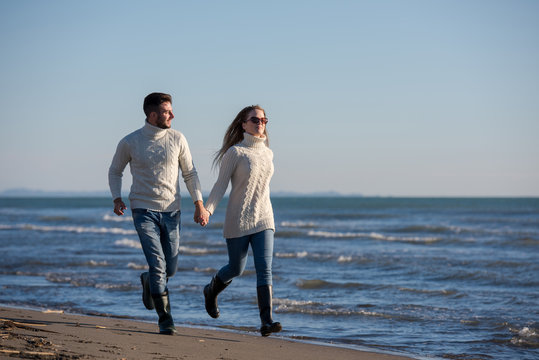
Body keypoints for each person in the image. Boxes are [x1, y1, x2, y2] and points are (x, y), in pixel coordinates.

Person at [108, 92, 209, 335]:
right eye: (167, 112)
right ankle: (165, 318)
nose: (172, 115)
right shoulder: (130, 142)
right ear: (152, 115)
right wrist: (117, 197)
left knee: (169, 268)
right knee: (158, 263)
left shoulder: (178, 138)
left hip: (171, 211)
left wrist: (199, 203)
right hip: (142, 209)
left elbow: (190, 173)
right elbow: (115, 171)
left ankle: (148, 280)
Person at [202, 105, 282, 337]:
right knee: (236, 269)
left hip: (264, 218)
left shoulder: (268, 153)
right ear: (243, 124)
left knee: (264, 269)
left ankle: (266, 321)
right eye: (255, 120)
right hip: (238, 219)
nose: (260, 124)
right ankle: (211, 290)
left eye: (264, 120)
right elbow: (220, 185)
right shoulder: (234, 153)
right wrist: (208, 210)